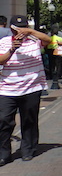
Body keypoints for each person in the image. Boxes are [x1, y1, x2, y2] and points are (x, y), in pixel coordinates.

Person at [0, 15, 51, 165]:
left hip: (31, 87)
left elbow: (48, 40)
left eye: (22, 28)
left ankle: (28, 149)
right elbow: (1, 60)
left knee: (29, 120)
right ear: (11, 28)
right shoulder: (3, 43)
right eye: (16, 28)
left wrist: (30, 32)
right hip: (7, 89)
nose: (19, 32)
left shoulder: (35, 42)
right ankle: (4, 153)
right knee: (3, 121)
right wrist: (12, 49)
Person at [47, 26, 62, 90]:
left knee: (52, 64)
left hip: (51, 51)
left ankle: (53, 75)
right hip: (57, 51)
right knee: (58, 65)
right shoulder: (60, 36)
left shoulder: (49, 36)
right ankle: (57, 75)